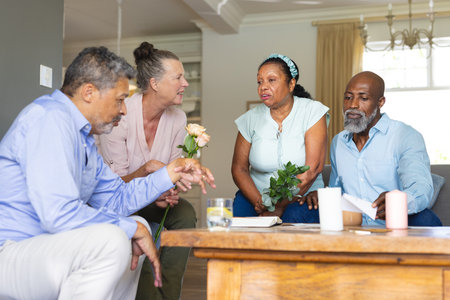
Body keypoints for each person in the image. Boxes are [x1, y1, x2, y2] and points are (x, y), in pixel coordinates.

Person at [0, 46, 215, 300]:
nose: (124, 111)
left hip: (47, 249)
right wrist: (129, 228)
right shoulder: (49, 120)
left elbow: (116, 198)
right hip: (13, 254)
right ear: (89, 92)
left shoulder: (84, 139)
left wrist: (171, 171)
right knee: (115, 237)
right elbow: (57, 214)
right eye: (120, 99)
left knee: (136, 226)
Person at [97, 41, 194, 300]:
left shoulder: (178, 118)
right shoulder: (121, 114)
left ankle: (166, 293)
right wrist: (146, 170)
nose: (185, 83)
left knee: (184, 212)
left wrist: (169, 191)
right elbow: (115, 188)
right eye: (178, 77)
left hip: (151, 196)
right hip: (119, 199)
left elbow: (170, 170)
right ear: (155, 83)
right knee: (151, 224)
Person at [305, 71, 441, 226]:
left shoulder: (404, 136)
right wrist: (321, 195)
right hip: (352, 225)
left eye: (363, 98)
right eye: (348, 97)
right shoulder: (339, 142)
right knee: (298, 211)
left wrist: (396, 202)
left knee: (427, 219)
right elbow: (337, 191)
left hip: (395, 224)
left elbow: (421, 188)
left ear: (380, 102)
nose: (353, 105)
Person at [231, 53, 329, 222]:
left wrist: (279, 206)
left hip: (303, 195)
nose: (263, 87)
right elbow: (239, 169)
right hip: (257, 197)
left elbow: (311, 170)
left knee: (294, 217)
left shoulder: (313, 111)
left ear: (291, 84)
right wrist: (260, 202)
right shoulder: (250, 119)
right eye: (260, 81)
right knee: (240, 216)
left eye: (272, 80)